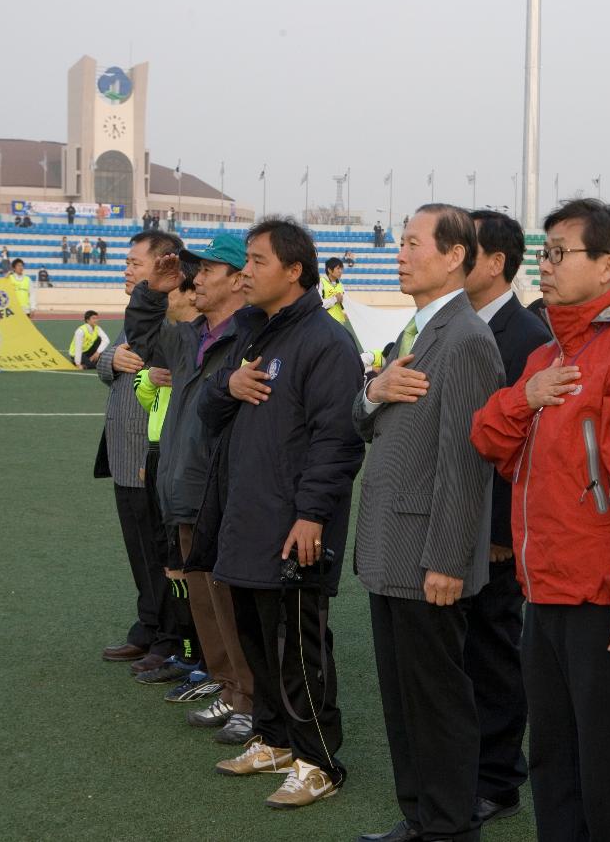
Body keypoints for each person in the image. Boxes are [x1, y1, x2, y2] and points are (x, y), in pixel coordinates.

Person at [471, 198, 610, 842]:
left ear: (608, 264)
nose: (548, 265)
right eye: (546, 253)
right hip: (546, 590)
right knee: (554, 762)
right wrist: (522, 398)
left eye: (562, 253)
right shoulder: (548, 355)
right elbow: (489, 440)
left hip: (603, 598)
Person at [193, 218, 364, 809]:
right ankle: (272, 737)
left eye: (258, 261)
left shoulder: (326, 341)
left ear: (293, 271)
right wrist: (227, 387)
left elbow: (338, 439)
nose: (246, 273)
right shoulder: (252, 335)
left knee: (299, 647)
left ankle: (319, 760)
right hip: (245, 517)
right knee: (257, 640)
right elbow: (207, 412)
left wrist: (313, 513)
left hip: (294, 526)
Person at [353, 204, 504, 842]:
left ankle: (447, 825)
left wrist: (446, 558)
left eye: (414, 243)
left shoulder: (466, 339)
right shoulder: (412, 334)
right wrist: (371, 393)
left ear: (453, 257)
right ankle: (418, 816)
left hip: (425, 558)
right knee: (403, 699)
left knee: (437, 701)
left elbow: (466, 462)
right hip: (391, 548)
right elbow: (368, 421)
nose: (401, 253)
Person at [123, 232, 257, 742]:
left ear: (236, 278)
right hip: (183, 488)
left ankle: (249, 697)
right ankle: (228, 688)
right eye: (193, 269)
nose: (195, 277)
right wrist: (154, 289)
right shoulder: (188, 337)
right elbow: (141, 334)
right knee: (204, 600)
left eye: (205, 269)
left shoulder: (251, 337)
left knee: (231, 601)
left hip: (223, 492)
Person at [462, 209, 552, 825]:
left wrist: (499, 532)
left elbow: (523, 442)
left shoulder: (525, 335)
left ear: (494, 263)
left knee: (493, 652)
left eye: (460, 249)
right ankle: (471, 766)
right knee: (465, 653)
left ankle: (497, 778)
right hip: (453, 523)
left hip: (494, 534)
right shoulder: (451, 326)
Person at [96, 229, 183, 677]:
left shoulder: (174, 313)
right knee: (141, 549)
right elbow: (106, 361)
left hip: (153, 457)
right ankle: (149, 626)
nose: (127, 269)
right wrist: (113, 358)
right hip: (127, 454)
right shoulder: (138, 314)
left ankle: (168, 638)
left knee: (161, 553)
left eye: (134, 262)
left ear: (165, 264)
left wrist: (144, 363)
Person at [320, 257, 348, 325]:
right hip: (326, 323)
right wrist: (335, 299)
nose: (340, 271)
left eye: (341, 269)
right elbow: (318, 304)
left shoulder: (340, 285)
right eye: (338, 268)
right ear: (329, 270)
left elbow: (345, 303)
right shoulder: (321, 282)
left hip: (340, 323)